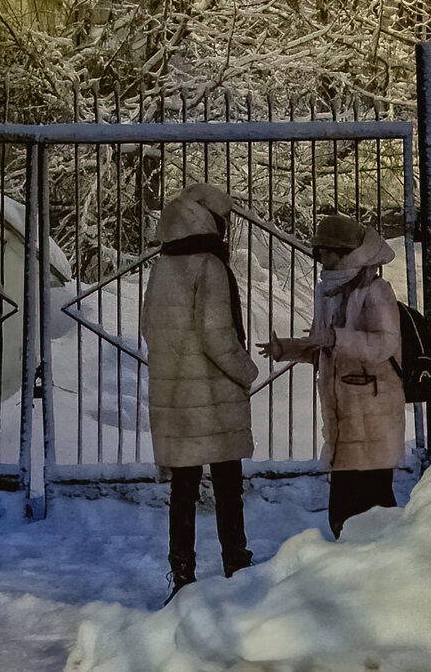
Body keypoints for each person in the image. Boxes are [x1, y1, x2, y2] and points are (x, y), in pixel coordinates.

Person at [141, 182, 259, 604]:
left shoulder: (164, 265)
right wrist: (246, 371)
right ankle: (237, 565)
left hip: (177, 396)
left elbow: (148, 329)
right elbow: (217, 334)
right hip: (213, 394)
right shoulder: (209, 266)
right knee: (228, 485)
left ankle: (182, 574)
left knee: (184, 491)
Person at [258, 215, 405, 539]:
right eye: (318, 251)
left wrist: (336, 338)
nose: (320, 258)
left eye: (326, 251)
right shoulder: (328, 290)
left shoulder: (375, 290)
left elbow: (385, 344)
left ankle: (392, 569)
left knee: (375, 505)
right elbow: (324, 347)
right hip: (344, 417)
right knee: (343, 509)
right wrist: (288, 349)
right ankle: (356, 566)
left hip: (373, 412)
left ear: (344, 251)